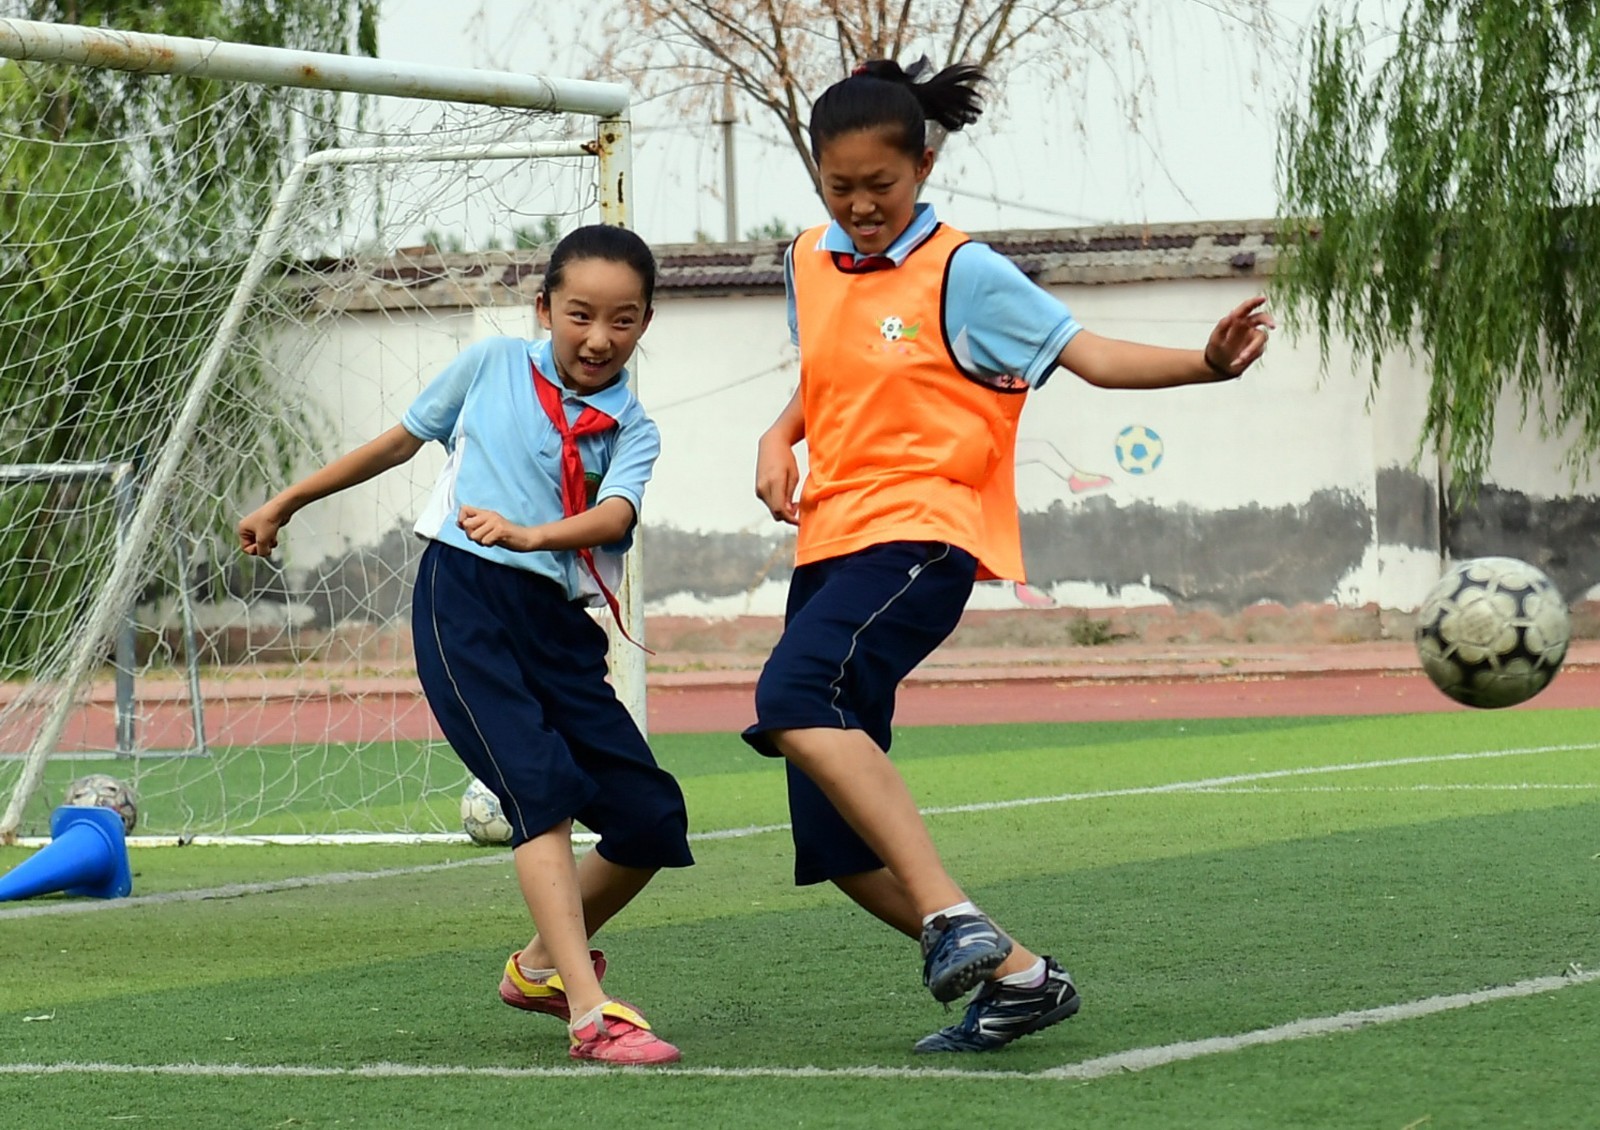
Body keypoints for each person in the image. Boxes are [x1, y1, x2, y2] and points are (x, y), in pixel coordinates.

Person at [746, 58, 1275, 1053]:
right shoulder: (804, 261)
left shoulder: (963, 270)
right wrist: (780, 436)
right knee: (836, 848)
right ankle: (1021, 975)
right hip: (828, 542)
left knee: (789, 701)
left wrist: (1204, 366)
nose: (860, 206)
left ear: (925, 163)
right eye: (839, 188)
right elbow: (825, 378)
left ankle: (951, 913)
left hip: (922, 538)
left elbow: (1086, 352)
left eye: (881, 187)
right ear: (816, 176)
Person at [239, 224, 691, 1067]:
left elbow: (616, 517)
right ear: (543, 307)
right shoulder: (490, 368)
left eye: (622, 320)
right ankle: (589, 1015)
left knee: (652, 819)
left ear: (646, 322)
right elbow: (397, 442)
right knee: (540, 787)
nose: (598, 338)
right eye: (580, 314)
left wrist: (533, 535)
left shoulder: (632, 428)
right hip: (465, 602)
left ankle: (536, 967)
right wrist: (288, 501)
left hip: (556, 625)